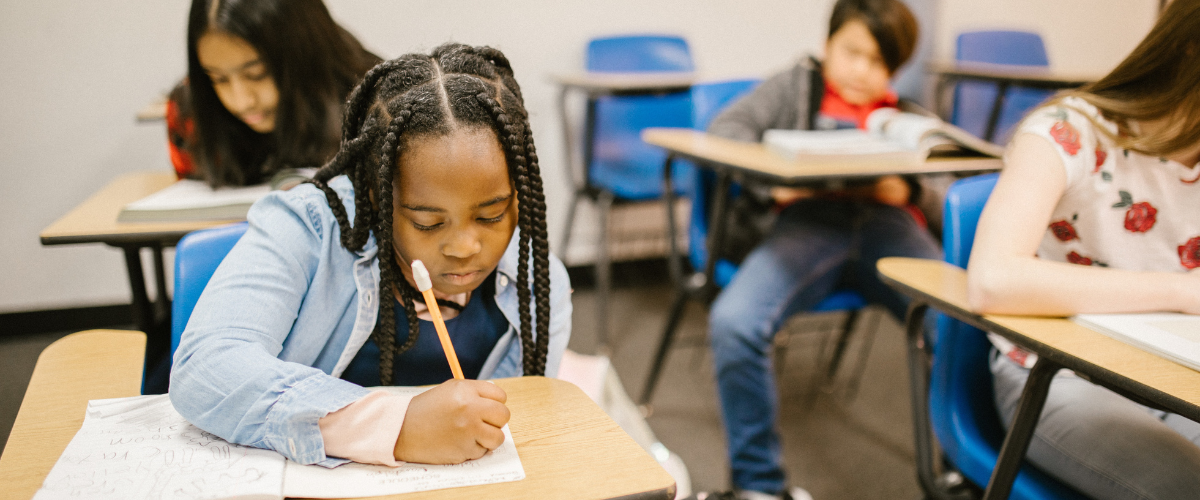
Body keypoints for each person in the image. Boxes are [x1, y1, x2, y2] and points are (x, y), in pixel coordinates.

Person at [169, 43, 572, 467]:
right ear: (378, 199)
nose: (464, 247)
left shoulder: (538, 285)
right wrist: (393, 428)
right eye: (428, 223)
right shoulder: (309, 227)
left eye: (491, 215)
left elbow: (521, 431)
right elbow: (205, 368)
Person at [967, 1, 1200, 498]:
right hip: (1056, 375)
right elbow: (992, 279)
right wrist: (1181, 291)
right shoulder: (1067, 131)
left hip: (1170, 372)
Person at [695, 1, 926, 499]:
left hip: (888, 226)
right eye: (852, 52)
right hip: (808, 226)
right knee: (735, 322)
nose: (863, 71)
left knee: (968, 327)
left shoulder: (905, 115)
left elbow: (944, 179)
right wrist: (774, 184)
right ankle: (759, 486)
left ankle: (970, 475)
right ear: (827, 45)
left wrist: (907, 190)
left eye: (880, 62)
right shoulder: (795, 86)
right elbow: (725, 132)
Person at [167, 0, 382, 187]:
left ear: (305, 51)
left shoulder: (377, 102)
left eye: (257, 74)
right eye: (218, 79)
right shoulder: (189, 115)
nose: (242, 102)